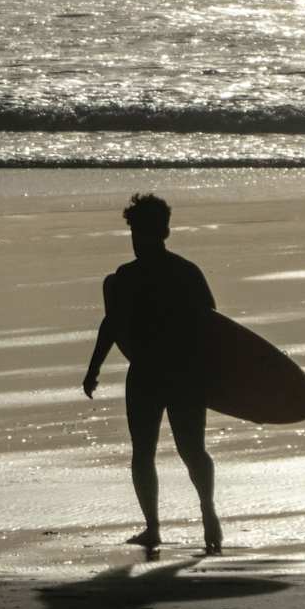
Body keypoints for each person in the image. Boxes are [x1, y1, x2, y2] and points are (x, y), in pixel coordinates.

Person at [82, 193, 222, 555]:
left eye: (138, 231)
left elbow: (112, 327)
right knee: (177, 450)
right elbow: (211, 326)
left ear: (154, 232)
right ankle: (185, 517)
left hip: (156, 373)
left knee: (161, 451)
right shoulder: (184, 272)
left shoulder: (130, 278)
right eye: (135, 232)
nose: (136, 239)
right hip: (176, 373)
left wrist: (94, 368)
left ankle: (174, 522)